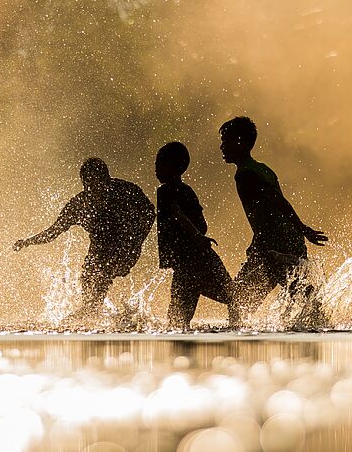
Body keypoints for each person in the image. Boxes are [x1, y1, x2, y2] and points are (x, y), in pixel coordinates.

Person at [13, 157, 155, 322]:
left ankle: (94, 314)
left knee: (102, 273)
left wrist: (136, 243)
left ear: (107, 178)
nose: (93, 188)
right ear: (83, 182)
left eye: (97, 182)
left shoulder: (124, 191)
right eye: (88, 183)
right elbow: (53, 232)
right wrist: (28, 241)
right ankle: (98, 316)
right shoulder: (80, 203)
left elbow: (149, 213)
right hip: (99, 248)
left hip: (125, 244)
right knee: (88, 277)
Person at [219, 117, 328, 323]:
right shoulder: (263, 168)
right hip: (287, 239)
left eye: (226, 141)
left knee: (237, 302)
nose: (222, 146)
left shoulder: (245, 175)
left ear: (240, 142)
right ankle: (320, 321)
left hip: (274, 243)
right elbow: (272, 207)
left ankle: (238, 341)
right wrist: (299, 230)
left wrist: (303, 227)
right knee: (296, 292)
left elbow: (275, 200)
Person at [155, 141, 234, 330]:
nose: (156, 169)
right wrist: (198, 235)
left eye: (159, 164)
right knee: (233, 297)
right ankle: (236, 328)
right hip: (201, 257)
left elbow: (177, 214)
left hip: (190, 261)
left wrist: (195, 235)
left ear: (174, 167)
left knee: (176, 321)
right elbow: (202, 224)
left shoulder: (165, 191)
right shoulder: (187, 190)